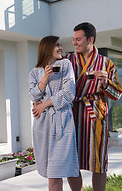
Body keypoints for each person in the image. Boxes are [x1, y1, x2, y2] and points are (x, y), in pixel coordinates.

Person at [66, 22, 122, 191]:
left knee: (99, 161)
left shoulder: (106, 63)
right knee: (71, 160)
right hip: (71, 115)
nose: (74, 43)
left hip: (95, 117)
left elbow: (117, 94)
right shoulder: (67, 61)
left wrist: (105, 82)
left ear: (90, 39)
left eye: (78, 39)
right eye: (73, 39)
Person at [29, 36, 79, 191]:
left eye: (60, 45)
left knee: (56, 173)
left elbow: (69, 93)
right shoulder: (35, 72)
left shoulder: (65, 65)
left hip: (62, 123)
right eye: (57, 45)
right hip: (43, 125)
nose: (61, 48)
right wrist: (45, 77)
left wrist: (44, 104)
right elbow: (32, 95)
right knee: (51, 172)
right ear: (47, 47)